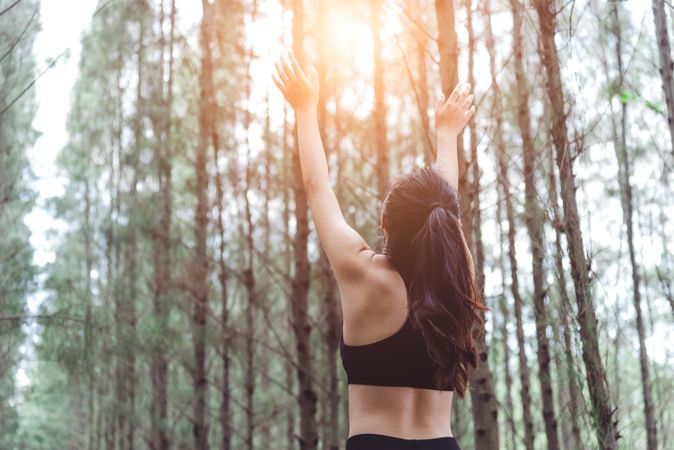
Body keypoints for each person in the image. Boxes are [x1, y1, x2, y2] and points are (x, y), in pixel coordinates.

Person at [272, 51, 485, 450]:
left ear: (386, 225)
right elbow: (443, 210)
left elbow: (317, 184)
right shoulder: (456, 284)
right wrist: (447, 136)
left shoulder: (363, 274)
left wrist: (305, 108)